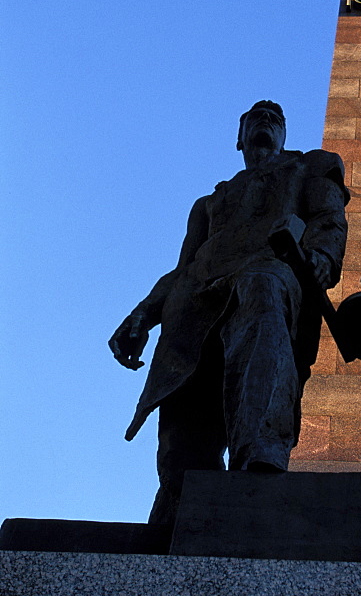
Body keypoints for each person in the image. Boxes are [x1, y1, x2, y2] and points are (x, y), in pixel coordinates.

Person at [109, 101, 348, 525]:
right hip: (196, 299)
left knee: (262, 295)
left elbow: (329, 220)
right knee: (182, 427)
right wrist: (144, 313)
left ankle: (259, 465)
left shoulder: (311, 167)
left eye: (275, 120)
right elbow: (184, 268)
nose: (266, 123)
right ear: (239, 138)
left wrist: (323, 258)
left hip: (268, 275)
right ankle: (180, 505)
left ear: (284, 135)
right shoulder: (208, 204)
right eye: (256, 119)